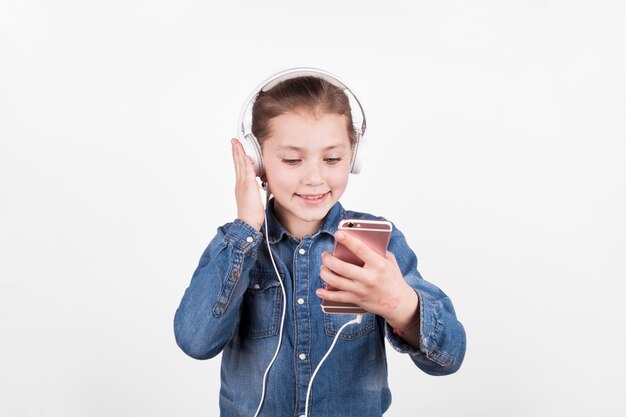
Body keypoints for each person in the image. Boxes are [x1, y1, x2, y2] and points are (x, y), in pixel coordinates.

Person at [173, 69, 466, 417]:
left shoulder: (375, 245)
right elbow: (195, 342)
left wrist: (402, 305)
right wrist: (247, 229)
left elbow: (449, 358)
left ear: (353, 158)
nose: (314, 177)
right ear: (257, 159)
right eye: (293, 159)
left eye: (332, 159)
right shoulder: (234, 247)